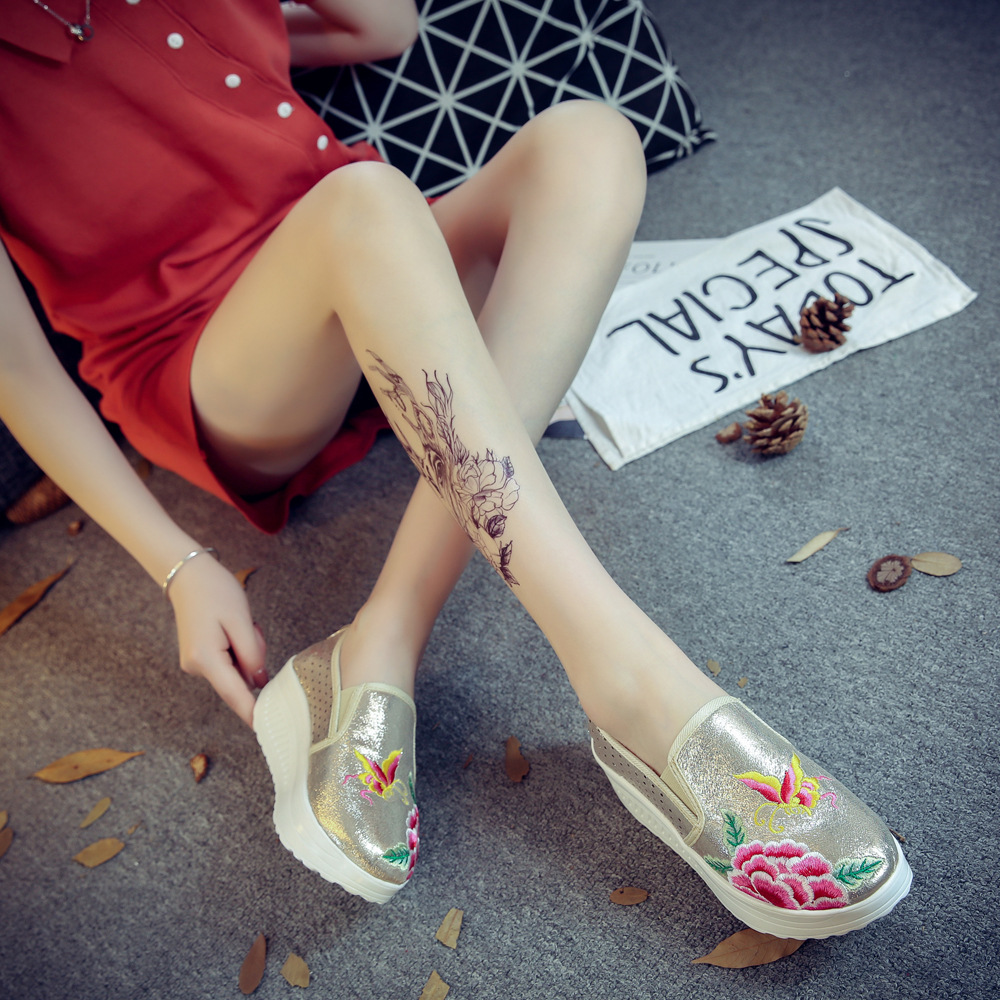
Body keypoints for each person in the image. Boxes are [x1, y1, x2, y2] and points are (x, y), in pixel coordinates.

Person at [0, 0, 910, 936]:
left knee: (588, 141)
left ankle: (381, 639)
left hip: (380, 265)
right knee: (362, 198)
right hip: (209, 356)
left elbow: (381, 26)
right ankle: (630, 681)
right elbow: (17, 372)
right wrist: (178, 565)